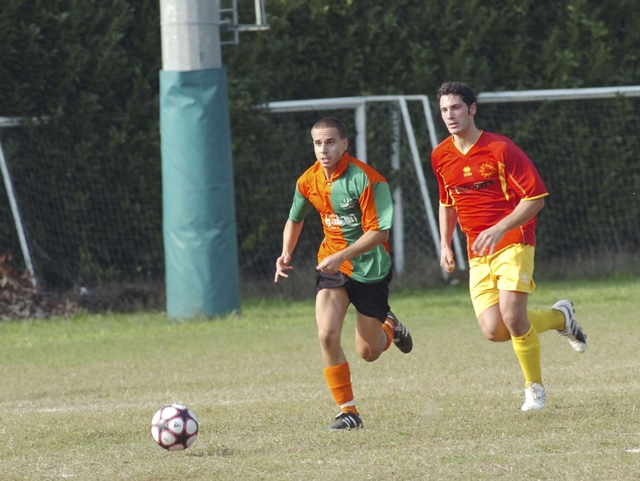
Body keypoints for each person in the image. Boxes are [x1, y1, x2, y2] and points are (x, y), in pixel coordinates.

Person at [431, 81, 587, 412]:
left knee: (514, 318)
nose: (450, 115)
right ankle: (560, 318)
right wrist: (445, 244)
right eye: (444, 109)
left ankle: (534, 389)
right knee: (494, 330)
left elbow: (536, 198)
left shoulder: (501, 149)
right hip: (477, 251)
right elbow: (447, 202)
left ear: (472, 109)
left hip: (514, 241)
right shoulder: (440, 155)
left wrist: (500, 227)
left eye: (456, 107)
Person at [274, 117, 413, 431]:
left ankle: (390, 326)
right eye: (318, 143)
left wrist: (343, 255)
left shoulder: (367, 179)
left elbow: (379, 233)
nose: (323, 149)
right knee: (326, 335)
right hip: (333, 268)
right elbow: (295, 219)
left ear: (344, 144)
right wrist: (286, 252)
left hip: (370, 269)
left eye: (330, 142)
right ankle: (348, 412)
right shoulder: (307, 181)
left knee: (369, 352)